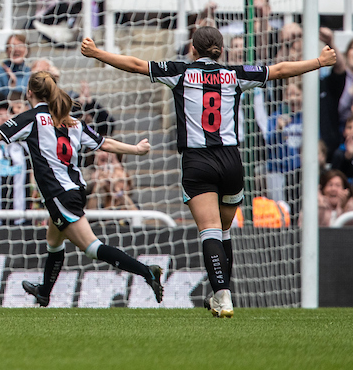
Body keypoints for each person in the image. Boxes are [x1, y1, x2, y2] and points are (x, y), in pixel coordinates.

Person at [80, 27, 336, 317]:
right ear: (222, 50)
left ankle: (223, 296)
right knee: (224, 231)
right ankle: (221, 296)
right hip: (231, 161)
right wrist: (318, 61)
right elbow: (279, 69)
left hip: (198, 161)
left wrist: (97, 52)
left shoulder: (180, 72)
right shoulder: (235, 74)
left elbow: (137, 65)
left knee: (210, 231)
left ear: (192, 49)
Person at [0, 71, 164, 306]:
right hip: (73, 189)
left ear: (30, 92)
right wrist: (136, 149)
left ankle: (147, 272)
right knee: (54, 241)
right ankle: (44, 292)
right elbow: (104, 142)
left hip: (60, 195)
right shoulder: (72, 121)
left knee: (92, 247)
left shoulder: (32, 118)